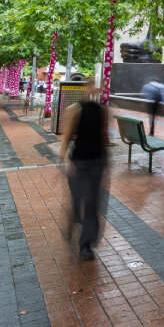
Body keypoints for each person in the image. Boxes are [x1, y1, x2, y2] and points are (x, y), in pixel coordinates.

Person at [59, 78, 108, 260]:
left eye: (97, 85)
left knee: (92, 202)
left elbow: (103, 136)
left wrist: (106, 162)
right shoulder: (74, 109)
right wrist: (65, 160)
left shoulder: (102, 111)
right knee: (77, 200)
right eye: (92, 85)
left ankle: (85, 244)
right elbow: (65, 138)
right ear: (86, 88)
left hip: (96, 161)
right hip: (78, 162)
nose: (95, 88)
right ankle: (72, 218)